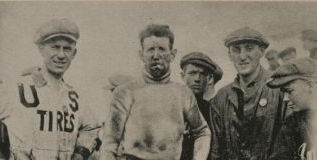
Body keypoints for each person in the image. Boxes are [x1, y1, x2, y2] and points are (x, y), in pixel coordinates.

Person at [0, 19, 100, 160]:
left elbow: (91, 129)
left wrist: (81, 153)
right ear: (41, 49)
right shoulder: (16, 87)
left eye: (67, 48)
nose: (61, 55)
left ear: (74, 53)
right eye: (55, 47)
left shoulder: (76, 96)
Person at [100, 24, 211, 160]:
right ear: (141, 55)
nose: (156, 56)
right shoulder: (125, 92)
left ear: (172, 55)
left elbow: (202, 132)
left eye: (162, 49)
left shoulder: (183, 94)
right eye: (150, 50)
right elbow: (110, 142)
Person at [209, 27, 285, 160]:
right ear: (229, 55)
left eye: (249, 48)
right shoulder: (221, 97)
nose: (242, 56)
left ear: (261, 51)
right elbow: (215, 151)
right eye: (236, 50)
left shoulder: (280, 88)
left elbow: (288, 144)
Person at [267, 58, 317, 160]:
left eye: (289, 91)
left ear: (310, 86)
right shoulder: (292, 123)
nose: (285, 98)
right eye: (283, 93)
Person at [179, 52, 223, 160]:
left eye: (202, 74)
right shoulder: (173, 106)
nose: (197, 79)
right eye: (192, 73)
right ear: (182, 76)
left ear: (208, 79)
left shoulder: (213, 111)